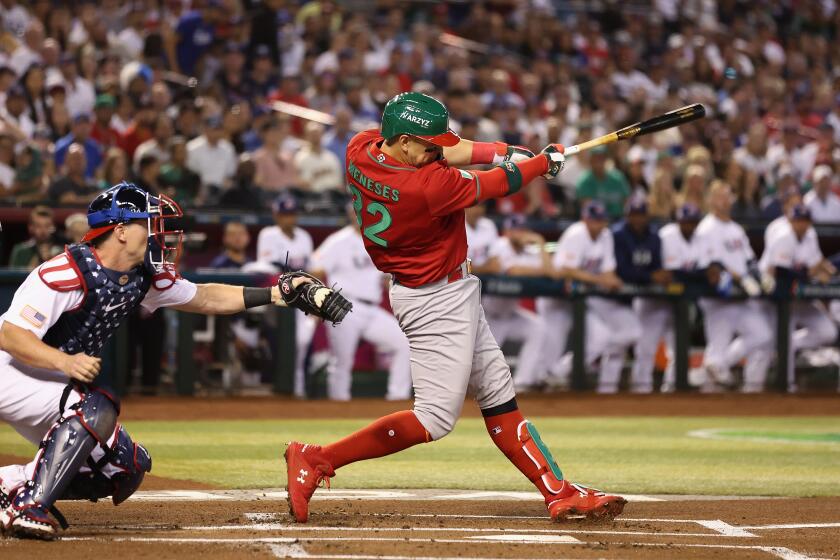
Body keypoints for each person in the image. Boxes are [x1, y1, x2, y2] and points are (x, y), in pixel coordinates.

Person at [284, 92, 625, 525]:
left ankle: (558, 492)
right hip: (434, 300)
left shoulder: (361, 147)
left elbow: (455, 149)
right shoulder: (426, 187)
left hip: (447, 289)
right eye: (426, 145)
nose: (435, 151)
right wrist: (542, 164)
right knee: (434, 419)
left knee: (498, 393)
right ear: (403, 141)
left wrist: (504, 151)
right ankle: (317, 459)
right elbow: (494, 185)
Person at [0, 183, 345, 540]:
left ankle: (8, 485)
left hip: (49, 381)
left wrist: (275, 294)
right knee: (96, 408)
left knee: (123, 467)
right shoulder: (64, 273)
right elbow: (10, 336)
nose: (156, 233)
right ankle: (28, 506)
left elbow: (206, 297)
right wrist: (66, 363)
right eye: (147, 223)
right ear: (119, 231)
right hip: (9, 371)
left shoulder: (143, 277)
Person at [309, 204, 412, 401]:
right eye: (355, 211)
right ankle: (339, 404)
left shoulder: (378, 241)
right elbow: (314, 268)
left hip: (371, 308)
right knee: (342, 361)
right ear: (350, 214)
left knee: (403, 341)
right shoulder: (338, 241)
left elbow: (385, 277)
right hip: (343, 304)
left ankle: (397, 398)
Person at [540, 200, 640, 393]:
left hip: (581, 298)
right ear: (585, 219)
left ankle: (558, 373)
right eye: (594, 220)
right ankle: (536, 383)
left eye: (601, 220)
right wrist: (599, 280)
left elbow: (608, 270)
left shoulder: (606, 236)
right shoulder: (576, 234)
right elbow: (566, 270)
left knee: (601, 337)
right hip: (557, 299)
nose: (598, 224)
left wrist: (612, 280)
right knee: (550, 344)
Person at [694, 180, 774, 392]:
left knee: (762, 335)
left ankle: (715, 368)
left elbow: (749, 260)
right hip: (718, 298)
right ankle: (705, 395)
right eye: (720, 195)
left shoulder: (736, 229)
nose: (725, 199)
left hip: (740, 297)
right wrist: (742, 279)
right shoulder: (706, 228)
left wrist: (760, 277)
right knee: (718, 346)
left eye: (727, 194)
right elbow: (713, 265)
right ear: (710, 200)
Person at [758, 205, 837, 393]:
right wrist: (809, 272)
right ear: (791, 221)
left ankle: (788, 345)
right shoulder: (783, 237)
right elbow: (782, 271)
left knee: (827, 331)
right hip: (776, 297)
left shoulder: (810, 236)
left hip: (799, 299)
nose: (800, 225)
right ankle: (787, 386)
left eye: (804, 221)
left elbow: (817, 265)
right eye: (797, 221)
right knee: (766, 339)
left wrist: (828, 273)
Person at [482, 215, 551, 392]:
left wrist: (540, 242)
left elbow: (550, 272)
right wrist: (537, 271)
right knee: (480, 375)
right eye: (514, 230)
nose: (519, 234)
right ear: (506, 232)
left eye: (522, 230)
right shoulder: (500, 244)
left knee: (538, 327)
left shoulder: (527, 251)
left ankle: (523, 383)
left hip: (511, 315)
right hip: (490, 318)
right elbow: (514, 270)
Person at [256, 193, 315, 397]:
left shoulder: (305, 237)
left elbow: (311, 269)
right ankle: (281, 391)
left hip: (303, 299)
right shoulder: (268, 234)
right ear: (276, 215)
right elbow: (271, 268)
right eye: (284, 214)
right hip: (279, 300)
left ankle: (299, 391)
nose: (288, 218)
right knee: (280, 346)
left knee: (303, 345)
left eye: (291, 214)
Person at [612, 196, 672, 393]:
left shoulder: (654, 237)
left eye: (641, 215)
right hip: (616, 298)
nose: (637, 219)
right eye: (634, 215)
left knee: (644, 344)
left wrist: (657, 275)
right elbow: (621, 270)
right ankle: (611, 386)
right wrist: (650, 276)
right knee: (625, 339)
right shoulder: (618, 235)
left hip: (645, 298)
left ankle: (640, 387)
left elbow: (657, 268)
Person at [657, 203, 707, 392]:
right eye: (685, 222)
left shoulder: (701, 237)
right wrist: (697, 275)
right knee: (645, 346)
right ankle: (641, 391)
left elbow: (704, 270)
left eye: (692, 222)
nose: (688, 226)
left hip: (682, 302)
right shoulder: (667, 234)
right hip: (658, 300)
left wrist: (697, 275)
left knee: (679, 347)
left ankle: (669, 387)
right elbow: (674, 272)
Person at [8, 206, 62, 270]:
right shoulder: (21, 250)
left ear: (53, 227)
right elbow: (13, 276)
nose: (43, 230)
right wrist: (38, 258)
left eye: (47, 226)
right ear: (31, 227)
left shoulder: (60, 251)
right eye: (38, 226)